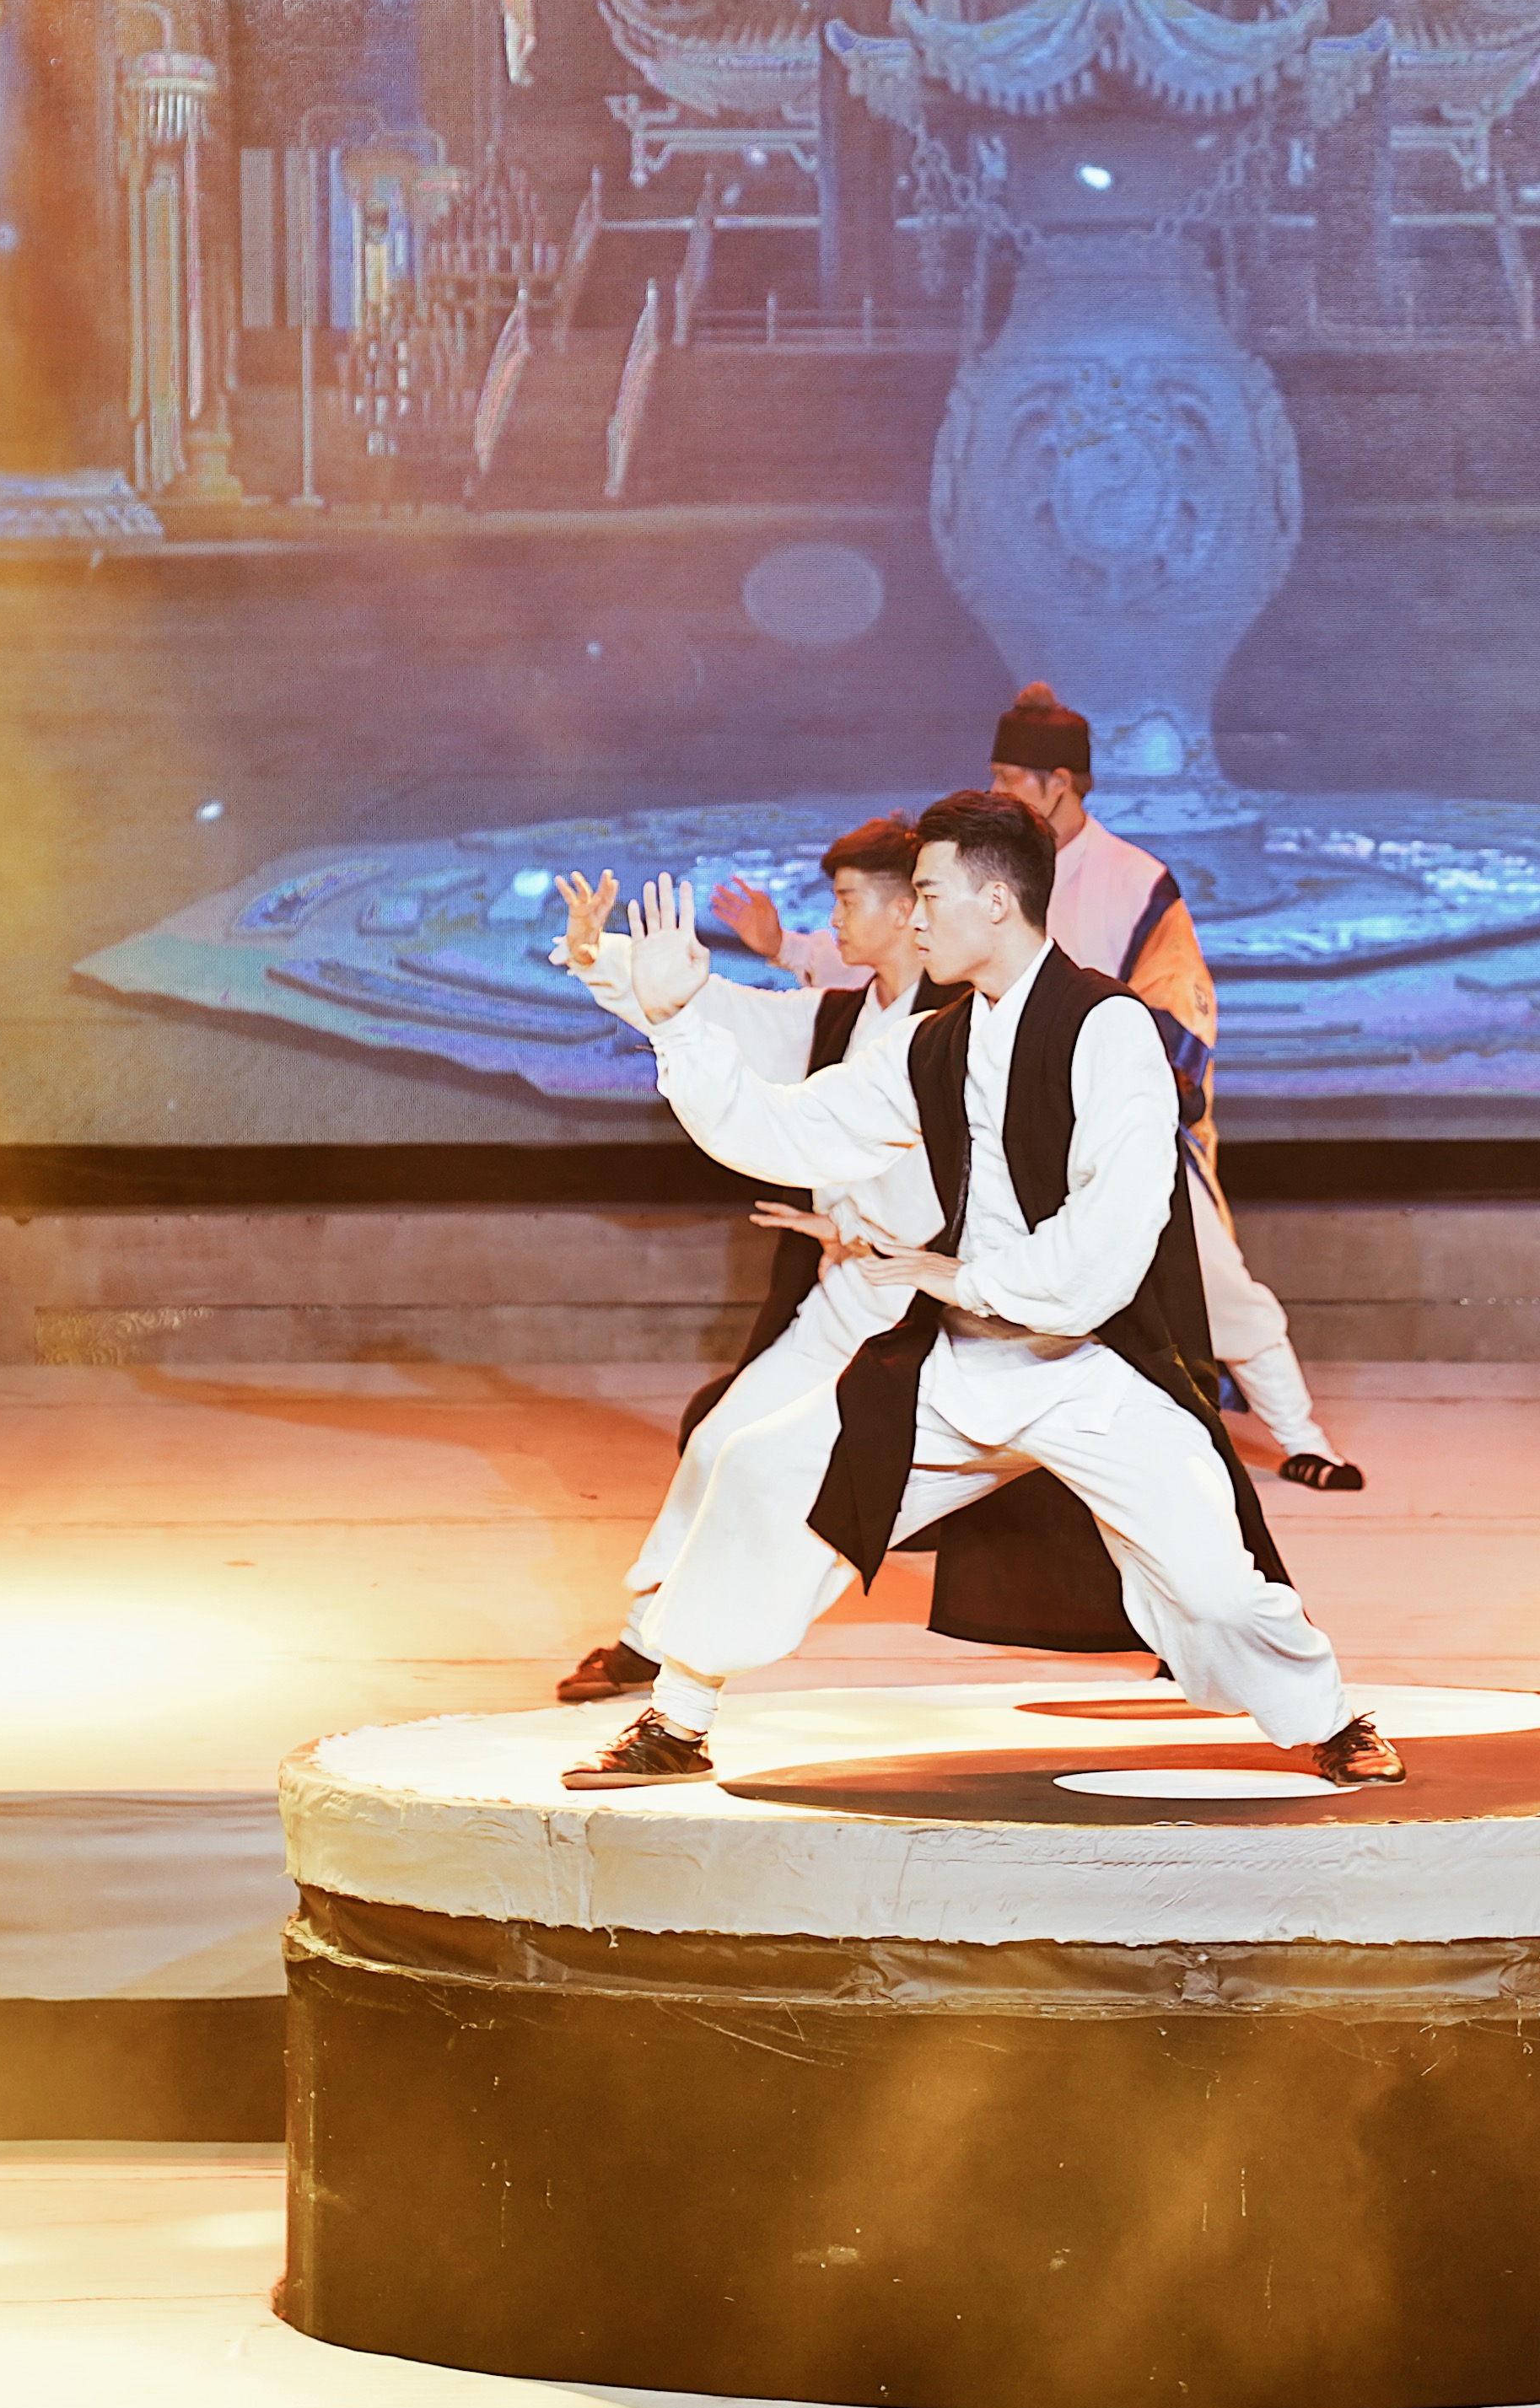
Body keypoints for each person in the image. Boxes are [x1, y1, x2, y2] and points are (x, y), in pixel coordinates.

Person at [568, 791, 1399, 1792]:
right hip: (958, 1368)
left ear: (996, 902)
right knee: (761, 1466)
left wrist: (965, 1276)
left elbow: (1112, 1230)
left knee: (1216, 1586)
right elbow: (788, 1131)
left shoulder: (1107, 1030)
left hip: (1091, 1371)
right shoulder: (934, 1043)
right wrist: (674, 1024)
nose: (913, 919)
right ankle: (679, 1719)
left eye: (927, 895)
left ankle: (1328, 1719)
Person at [720, 683, 1360, 1491]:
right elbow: (905, 957)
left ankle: (1305, 1438)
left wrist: (1129, 1086)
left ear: (1060, 783)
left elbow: (1177, 996)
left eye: (1008, 777)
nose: (996, 788)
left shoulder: (1133, 879)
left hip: (1109, 1114)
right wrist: (788, 949)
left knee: (1217, 1286)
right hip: (1001, 1122)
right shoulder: (982, 870)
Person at [556, 814, 946, 1707]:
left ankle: (1210, 1628)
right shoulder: (839, 1017)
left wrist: (877, 1226)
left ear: (904, 909)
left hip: (935, 1309)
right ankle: (649, 1640)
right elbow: (719, 1011)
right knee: (722, 1440)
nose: (834, 918)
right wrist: (596, 955)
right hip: (849, 1295)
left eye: (848, 899)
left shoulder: (958, 1031)